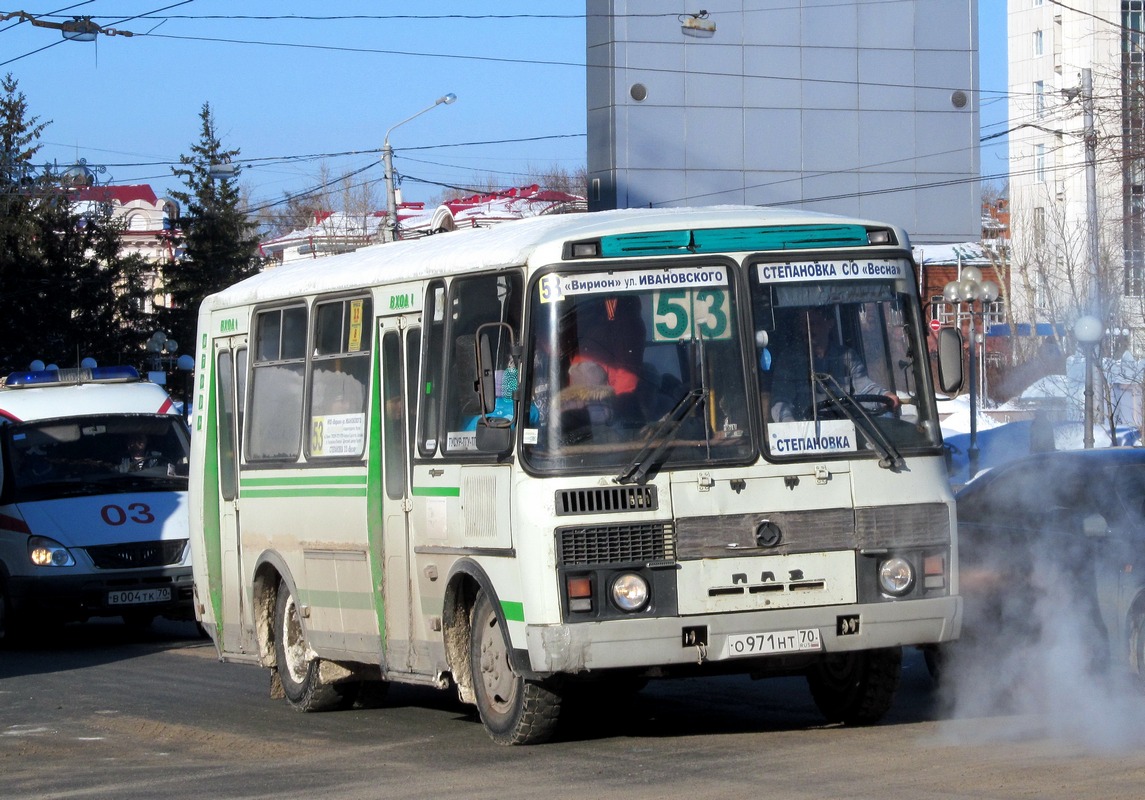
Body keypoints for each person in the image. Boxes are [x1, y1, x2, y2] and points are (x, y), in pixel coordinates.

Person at [768, 307, 899, 422]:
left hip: (847, 433)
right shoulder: (789, 361)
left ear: (829, 323)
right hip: (806, 436)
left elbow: (864, 387)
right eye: (803, 325)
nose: (807, 330)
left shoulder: (847, 357)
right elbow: (781, 401)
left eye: (813, 324)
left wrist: (885, 395)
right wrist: (790, 424)